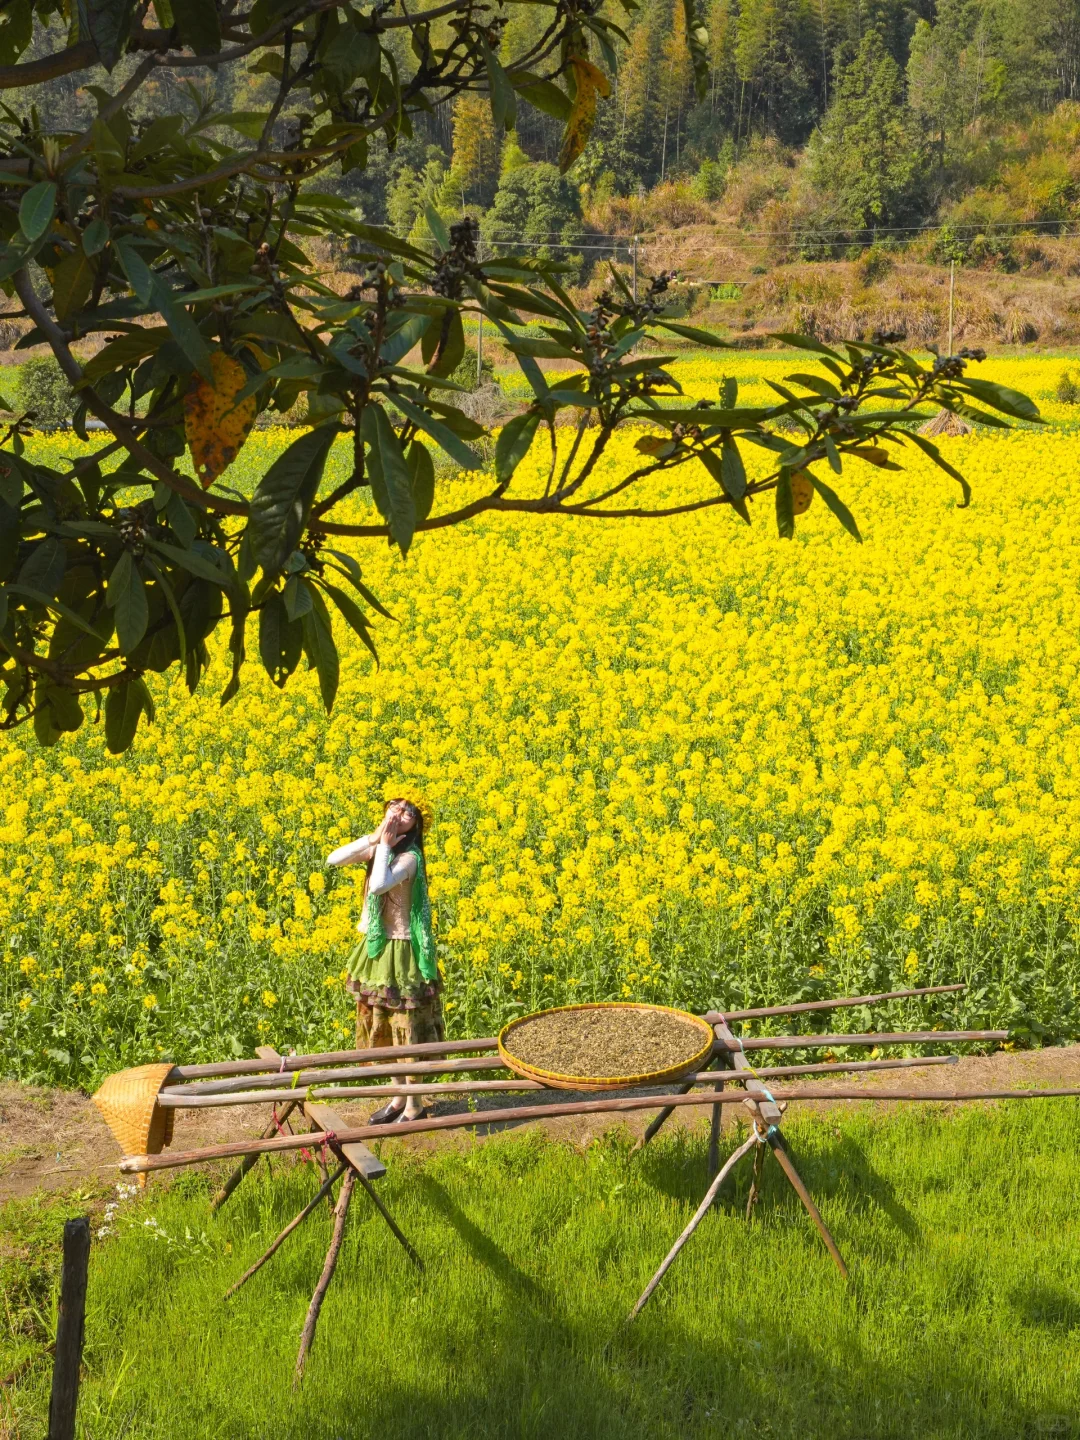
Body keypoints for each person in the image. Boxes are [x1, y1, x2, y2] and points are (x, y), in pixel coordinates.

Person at [326, 799, 443, 1123]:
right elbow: (333, 859)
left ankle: (414, 1105)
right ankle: (397, 1098)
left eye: (407, 812)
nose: (398, 814)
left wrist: (384, 847)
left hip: (403, 951)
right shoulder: (385, 847)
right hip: (377, 950)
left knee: (407, 1031)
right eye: (395, 806)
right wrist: (377, 837)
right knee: (382, 1028)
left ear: (416, 824)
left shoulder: (409, 858)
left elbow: (378, 885)